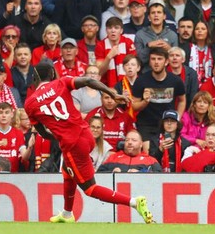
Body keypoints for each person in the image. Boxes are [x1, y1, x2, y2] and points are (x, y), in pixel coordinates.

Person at [25, 62, 154, 224]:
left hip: (72, 144)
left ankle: (134, 202)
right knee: (67, 171)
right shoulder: (61, 82)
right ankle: (67, 214)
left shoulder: (30, 104)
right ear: (52, 75)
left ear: (34, 78)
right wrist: (112, 94)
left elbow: (43, 133)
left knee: (90, 188)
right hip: (87, 134)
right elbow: (88, 81)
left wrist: (59, 135)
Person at [132, 47, 186, 151]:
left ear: (166, 62)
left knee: (168, 153)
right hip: (146, 124)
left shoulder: (176, 81)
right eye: (153, 59)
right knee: (149, 153)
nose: (156, 62)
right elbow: (134, 106)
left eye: (159, 59)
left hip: (167, 124)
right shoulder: (141, 81)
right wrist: (145, 102)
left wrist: (177, 117)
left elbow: (182, 100)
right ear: (150, 61)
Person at [96, 17, 136, 87]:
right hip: (106, 86)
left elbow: (133, 67)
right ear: (106, 30)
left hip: (127, 84)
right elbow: (99, 72)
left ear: (121, 30)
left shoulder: (128, 42)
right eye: (110, 28)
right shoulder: (100, 45)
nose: (113, 31)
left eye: (116, 28)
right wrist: (109, 57)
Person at [97, 130, 163, 172]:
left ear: (141, 144)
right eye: (127, 140)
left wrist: (141, 173)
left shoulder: (151, 160)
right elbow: (99, 174)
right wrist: (112, 172)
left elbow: (158, 178)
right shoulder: (113, 158)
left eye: (134, 140)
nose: (129, 142)